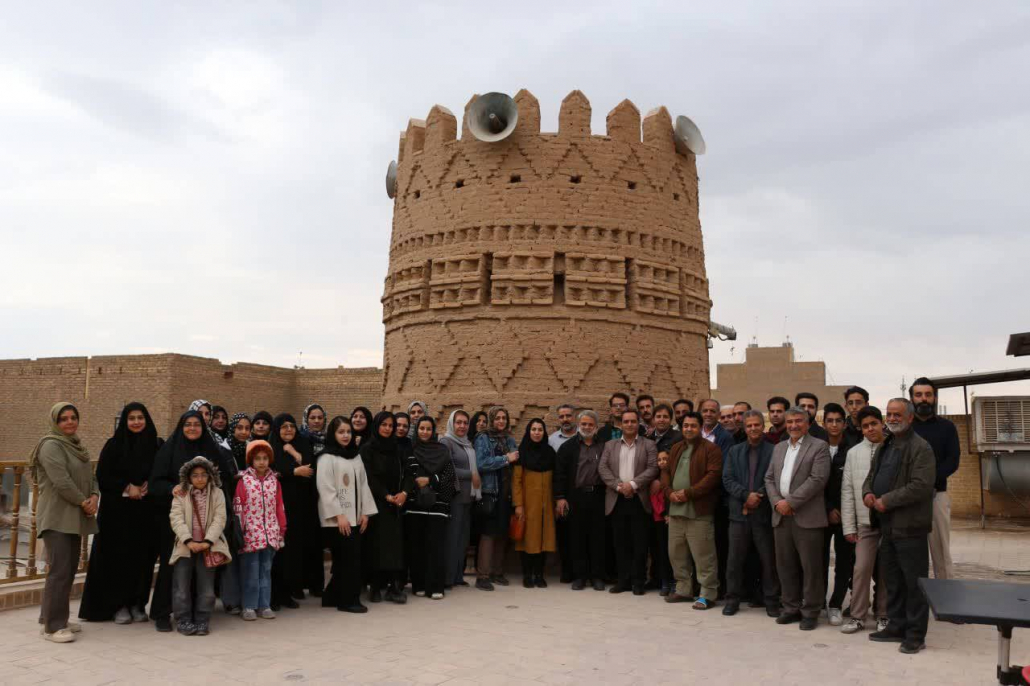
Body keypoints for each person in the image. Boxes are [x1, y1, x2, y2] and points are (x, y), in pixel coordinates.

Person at [79, 402, 162, 624]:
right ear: (125, 421)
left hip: (146, 514)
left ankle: (138, 604)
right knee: (119, 560)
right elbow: (103, 476)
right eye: (131, 418)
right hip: (118, 516)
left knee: (143, 560)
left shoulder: (156, 445)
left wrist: (150, 484)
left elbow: (162, 471)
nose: (136, 422)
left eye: (140, 418)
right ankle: (119, 605)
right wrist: (127, 487)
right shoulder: (114, 446)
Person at [149, 410, 232, 632]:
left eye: (197, 424)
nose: (192, 428)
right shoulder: (169, 449)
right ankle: (163, 613)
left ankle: (198, 616)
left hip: (205, 524)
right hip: (175, 521)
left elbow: (223, 478)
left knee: (201, 574)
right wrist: (173, 488)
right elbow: (155, 483)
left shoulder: (211, 449)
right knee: (173, 570)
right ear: (181, 426)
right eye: (188, 424)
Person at [865, 399, 936, 654]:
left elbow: (921, 486)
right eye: (889, 414)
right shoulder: (886, 445)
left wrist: (887, 500)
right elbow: (871, 476)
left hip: (910, 527)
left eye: (898, 414)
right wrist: (868, 493)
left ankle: (915, 635)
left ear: (910, 418)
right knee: (893, 581)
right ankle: (896, 626)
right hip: (887, 527)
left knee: (914, 584)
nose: (892, 418)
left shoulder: (921, 447)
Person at [29, 403, 98, 643]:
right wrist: (84, 502)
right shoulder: (50, 445)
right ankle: (53, 627)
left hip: (74, 515)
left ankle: (49, 619)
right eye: (63, 419)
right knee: (59, 571)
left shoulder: (76, 445)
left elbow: (91, 476)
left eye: (73, 417)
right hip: (57, 516)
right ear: (55, 422)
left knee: (67, 570)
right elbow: (61, 480)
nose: (69, 422)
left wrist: (95, 495)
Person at [765, 406, 830, 631]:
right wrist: (777, 502)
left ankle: (811, 611)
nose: (793, 425)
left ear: (807, 423)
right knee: (785, 565)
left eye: (798, 421)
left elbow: (817, 479)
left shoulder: (819, 446)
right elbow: (769, 478)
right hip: (781, 516)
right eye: (790, 421)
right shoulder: (779, 447)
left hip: (807, 516)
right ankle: (790, 608)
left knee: (811, 568)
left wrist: (790, 502)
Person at [660, 411, 723, 610]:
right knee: (676, 554)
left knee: (704, 555)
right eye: (685, 426)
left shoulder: (711, 449)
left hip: (699, 511)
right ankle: (683, 589)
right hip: (676, 511)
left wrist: (688, 493)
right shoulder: (676, 448)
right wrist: (669, 492)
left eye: (693, 426)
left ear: (700, 427)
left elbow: (713, 476)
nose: (689, 429)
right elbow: (665, 472)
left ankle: (708, 593)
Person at [722, 409, 779, 617]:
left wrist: (757, 497)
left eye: (756, 425)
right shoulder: (734, 451)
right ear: (744, 428)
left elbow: (775, 478)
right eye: (749, 425)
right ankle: (732, 599)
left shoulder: (774, 450)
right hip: (739, 514)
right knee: (734, 561)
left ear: (763, 426)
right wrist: (746, 496)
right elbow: (727, 479)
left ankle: (771, 601)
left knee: (768, 561)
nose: (753, 428)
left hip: (764, 514)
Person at [318, 416, 377, 613]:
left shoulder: (355, 456)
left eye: (348, 432)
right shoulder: (326, 457)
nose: (345, 435)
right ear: (333, 434)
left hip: (356, 517)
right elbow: (325, 488)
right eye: (341, 432)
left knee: (350, 559)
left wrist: (366, 512)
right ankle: (348, 601)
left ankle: (331, 596)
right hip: (338, 520)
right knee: (347, 560)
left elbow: (364, 485)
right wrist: (338, 515)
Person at [169, 456, 232, 636]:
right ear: (188, 477)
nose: (200, 479)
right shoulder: (181, 493)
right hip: (185, 546)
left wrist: (207, 541)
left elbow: (220, 519)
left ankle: (203, 619)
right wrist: (188, 540)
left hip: (208, 547)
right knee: (181, 587)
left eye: (204, 474)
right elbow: (176, 518)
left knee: (207, 589)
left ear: (210, 475)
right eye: (195, 475)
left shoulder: (217, 493)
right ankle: (183, 620)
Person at [840, 406, 889, 635]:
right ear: (860, 429)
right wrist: (849, 526)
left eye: (874, 424)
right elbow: (848, 491)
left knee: (886, 570)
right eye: (865, 426)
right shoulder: (854, 453)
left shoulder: (893, 448)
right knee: (861, 569)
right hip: (864, 523)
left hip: (889, 521)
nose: (870, 429)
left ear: (882, 423)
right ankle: (857, 616)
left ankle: (883, 614)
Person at [598, 409, 658, 595]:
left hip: (639, 499)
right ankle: (623, 581)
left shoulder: (649, 445)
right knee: (620, 542)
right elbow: (603, 468)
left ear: (638, 423)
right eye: (626, 421)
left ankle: (638, 581)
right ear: (621, 424)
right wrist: (619, 486)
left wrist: (632, 485)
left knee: (640, 543)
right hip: (617, 499)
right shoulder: (610, 445)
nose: (630, 424)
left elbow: (652, 468)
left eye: (633, 421)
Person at [909, 377, 960, 581]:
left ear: (935, 398)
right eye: (918, 395)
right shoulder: (904, 428)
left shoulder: (947, 427)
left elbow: (952, 461)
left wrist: (926, 482)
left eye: (928, 395)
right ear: (911, 399)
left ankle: (946, 596)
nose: (923, 399)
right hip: (907, 499)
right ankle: (914, 596)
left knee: (941, 551)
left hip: (936, 496)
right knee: (910, 552)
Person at [270, 413, 322, 606]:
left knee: (298, 547)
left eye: (291, 426)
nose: (289, 430)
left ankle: (295, 587)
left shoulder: (302, 444)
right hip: (278, 507)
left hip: (302, 506)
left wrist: (292, 451)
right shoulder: (271, 448)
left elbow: (308, 469)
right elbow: (271, 470)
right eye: (284, 427)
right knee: (282, 551)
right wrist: (293, 472)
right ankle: (279, 592)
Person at [404, 417, 457, 600]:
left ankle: (435, 586)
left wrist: (430, 480)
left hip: (438, 506)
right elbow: (406, 476)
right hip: (415, 506)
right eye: (421, 428)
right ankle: (418, 584)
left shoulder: (442, 451)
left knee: (436, 547)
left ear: (433, 431)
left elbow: (449, 477)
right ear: (417, 430)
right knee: (417, 547)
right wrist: (415, 483)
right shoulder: (411, 450)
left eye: (428, 429)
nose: (425, 432)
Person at [555, 410, 607, 591]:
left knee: (598, 537)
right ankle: (580, 576)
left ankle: (597, 576)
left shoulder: (604, 446)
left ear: (596, 427)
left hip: (599, 496)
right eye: (584, 424)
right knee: (577, 537)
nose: (587, 427)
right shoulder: (568, 447)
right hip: (575, 497)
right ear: (578, 426)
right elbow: (560, 474)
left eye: (590, 424)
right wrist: (560, 497)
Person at [360, 412, 409, 604]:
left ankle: (394, 587)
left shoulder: (397, 448)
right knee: (376, 544)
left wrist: (404, 493)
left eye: (391, 425)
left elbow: (408, 472)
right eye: (384, 425)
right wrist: (385, 495)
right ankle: (375, 586)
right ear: (377, 425)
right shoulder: (367, 448)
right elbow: (368, 476)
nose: (388, 428)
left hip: (396, 503)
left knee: (395, 546)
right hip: (376, 502)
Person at [234, 440, 286, 621]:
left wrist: (281, 530)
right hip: (250, 535)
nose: (262, 462)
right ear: (251, 460)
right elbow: (238, 507)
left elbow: (279, 507)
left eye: (265, 458)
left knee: (265, 571)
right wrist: (240, 531)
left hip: (270, 533)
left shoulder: (274, 481)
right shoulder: (244, 481)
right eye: (257, 458)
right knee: (251, 572)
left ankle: (264, 604)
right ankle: (248, 606)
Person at [474, 406, 519, 591]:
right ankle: (483, 576)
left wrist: (510, 458)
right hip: (491, 492)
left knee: (502, 533)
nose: (501, 421)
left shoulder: (509, 438)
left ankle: (497, 572)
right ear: (492, 420)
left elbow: (516, 459)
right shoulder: (483, 437)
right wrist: (505, 459)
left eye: (504, 418)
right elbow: (481, 463)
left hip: (506, 493)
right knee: (488, 534)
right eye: (497, 418)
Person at [513, 418, 557, 588]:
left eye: (540, 429)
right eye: (533, 429)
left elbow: (556, 479)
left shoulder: (550, 453)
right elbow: (516, 481)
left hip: (546, 506)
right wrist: (518, 504)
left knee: (543, 541)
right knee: (527, 541)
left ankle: (539, 575)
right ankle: (527, 575)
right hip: (527, 505)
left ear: (544, 433)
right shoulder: (522, 453)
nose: (537, 433)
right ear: (528, 432)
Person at [821, 402, 854, 626]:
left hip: (845, 515)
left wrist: (841, 510)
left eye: (838, 421)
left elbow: (854, 484)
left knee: (844, 563)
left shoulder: (853, 448)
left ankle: (836, 605)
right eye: (830, 421)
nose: (834, 425)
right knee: (819, 562)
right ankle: (817, 602)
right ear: (824, 424)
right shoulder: (816, 447)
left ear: (844, 423)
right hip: (820, 514)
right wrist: (827, 508)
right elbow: (814, 483)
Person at [440, 410, 481, 588]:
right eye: (458, 422)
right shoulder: (446, 442)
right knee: (451, 539)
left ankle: (457, 576)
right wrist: (470, 474)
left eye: (465, 423)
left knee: (462, 540)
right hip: (454, 497)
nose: (462, 426)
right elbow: (446, 468)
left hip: (468, 498)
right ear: (452, 423)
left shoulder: (467, 443)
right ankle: (446, 579)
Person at [698, 398, 733, 598]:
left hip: (716, 499)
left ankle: (720, 588)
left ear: (718, 414)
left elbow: (722, 468)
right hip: (696, 498)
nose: (709, 414)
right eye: (705, 410)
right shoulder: (694, 433)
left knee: (718, 545)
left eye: (712, 411)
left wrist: (702, 486)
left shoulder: (725, 437)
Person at [646, 404, 682, 594]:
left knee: (668, 543)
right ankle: (656, 578)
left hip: (668, 494)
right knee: (654, 542)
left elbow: (678, 467)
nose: (661, 419)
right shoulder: (647, 438)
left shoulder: (678, 438)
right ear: (653, 419)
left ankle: (670, 580)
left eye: (665, 416)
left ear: (671, 419)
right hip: (650, 497)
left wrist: (661, 480)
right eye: (658, 416)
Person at [548, 403, 578, 583]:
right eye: (562, 416)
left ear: (575, 417)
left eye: (568, 416)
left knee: (581, 533)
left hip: (581, 492)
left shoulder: (585, 436)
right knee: (564, 533)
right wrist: (558, 496)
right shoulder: (552, 440)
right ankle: (567, 571)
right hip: (562, 493)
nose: (565, 419)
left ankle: (581, 572)